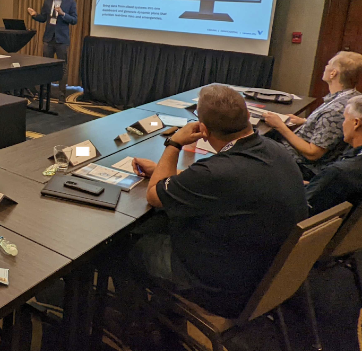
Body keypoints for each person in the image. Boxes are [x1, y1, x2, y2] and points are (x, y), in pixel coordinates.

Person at [125, 84, 307, 318]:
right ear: (248, 116)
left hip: (223, 288)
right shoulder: (275, 149)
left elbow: (154, 195)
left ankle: (135, 323)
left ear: (203, 129)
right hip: (268, 272)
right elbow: (229, 184)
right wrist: (172, 175)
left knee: (124, 244)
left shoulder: (214, 173)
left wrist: (174, 144)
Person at [264, 51, 362, 179]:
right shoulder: (355, 98)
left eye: (328, 64)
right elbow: (331, 129)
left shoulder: (334, 111)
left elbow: (313, 153)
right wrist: (305, 122)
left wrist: (280, 126)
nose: (326, 67)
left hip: (302, 165)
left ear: (333, 73)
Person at [27, 0, 78, 103]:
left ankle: (61, 95)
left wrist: (62, 14)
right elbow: (44, 18)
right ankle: (44, 93)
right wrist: (34, 15)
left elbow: (74, 20)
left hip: (62, 40)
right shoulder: (48, 0)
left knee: (62, 68)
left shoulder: (70, 2)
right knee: (46, 67)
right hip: (48, 39)